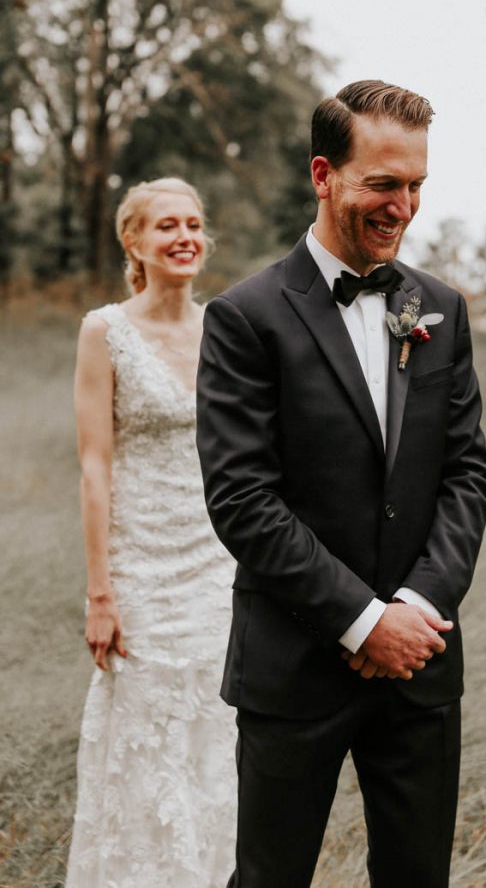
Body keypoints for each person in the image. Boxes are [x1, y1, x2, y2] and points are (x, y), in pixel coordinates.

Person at [196, 81, 486, 888]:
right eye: (383, 184)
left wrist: (416, 609)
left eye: (416, 187)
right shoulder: (245, 316)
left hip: (422, 663)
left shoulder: (442, 310)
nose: (403, 207)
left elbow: (467, 471)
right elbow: (242, 500)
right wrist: (363, 622)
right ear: (324, 175)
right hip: (295, 665)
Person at [66, 177, 237, 887]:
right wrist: (100, 592)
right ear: (133, 240)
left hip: (218, 569)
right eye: (166, 225)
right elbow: (95, 466)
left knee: (215, 747)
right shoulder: (104, 330)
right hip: (140, 572)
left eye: (194, 224)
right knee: (144, 748)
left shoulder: (229, 328)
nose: (184, 237)